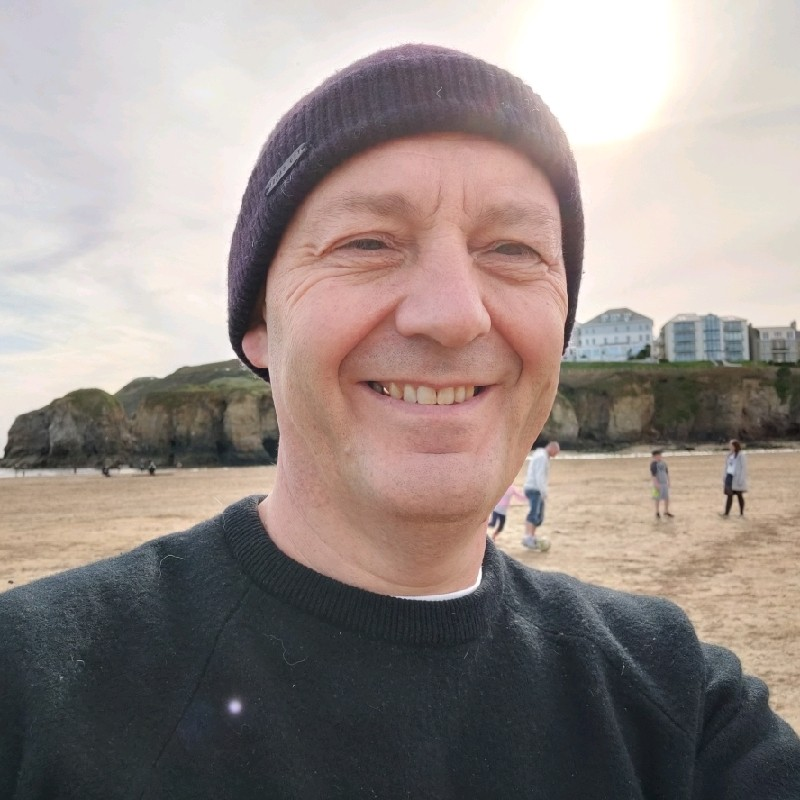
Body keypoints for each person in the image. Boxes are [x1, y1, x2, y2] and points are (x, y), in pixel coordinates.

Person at [1, 44, 798, 798]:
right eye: (368, 242)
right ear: (259, 325)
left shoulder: (678, 703)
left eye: (514, 249)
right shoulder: (30, 681)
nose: (453, 315)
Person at [521, 441, 560, 549]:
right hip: (534, 488)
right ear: (552, 449)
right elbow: (540, 476)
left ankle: (531, 536)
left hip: (534, 488)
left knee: (538, 516)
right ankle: (528, 537)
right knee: (534, 513)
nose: (555, 456)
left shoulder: (540, 454)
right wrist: (543, 491)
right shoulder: (542, 457)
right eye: (555, 453)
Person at [721, 438, 748, 517]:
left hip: (737, 477)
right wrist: (724, 476)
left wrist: (741, 479)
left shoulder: (741, 455)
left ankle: (741, 513)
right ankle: (726, 513)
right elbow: (726, 466)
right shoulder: (729, 455)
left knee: (739, 495)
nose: (730, 447)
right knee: (729, 495)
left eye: (731, 445)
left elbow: (743, 468)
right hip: (729, 476)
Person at [649, 448, 674, 520]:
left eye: (660, 455)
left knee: (666, 498)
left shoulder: (664, 463)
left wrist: (668, 481)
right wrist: (656, 484)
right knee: (657, 498)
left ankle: (666, 511)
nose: (659, 456)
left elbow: (666, 473)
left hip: (664, 483)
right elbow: (653, 475)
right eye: (658, 455)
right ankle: (657, 512)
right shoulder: (653, 464)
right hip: (658, 483)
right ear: (654, 456)